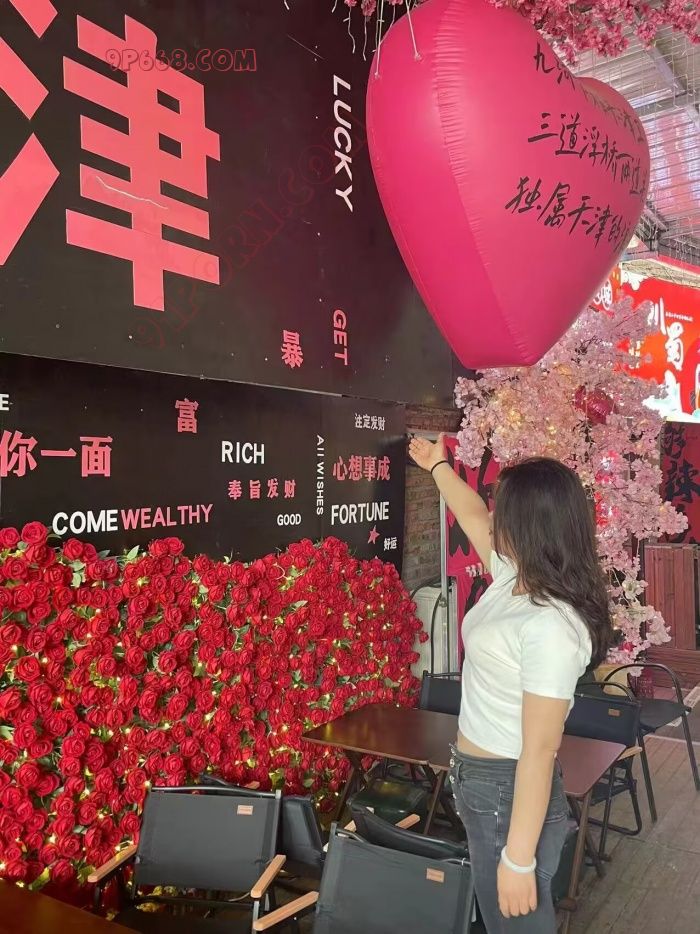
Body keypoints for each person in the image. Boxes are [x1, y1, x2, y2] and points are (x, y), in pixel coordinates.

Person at [409, 434, 613, 933]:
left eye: (504, 510)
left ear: (530, 525)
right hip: (482, 781)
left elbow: (540, 750)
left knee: (515, 923)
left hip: (507, 788)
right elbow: (472, 514)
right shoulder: (513, 577)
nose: (494, 517)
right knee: (498, 916)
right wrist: (437, 467)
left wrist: (519, 860)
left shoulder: (551, 624)